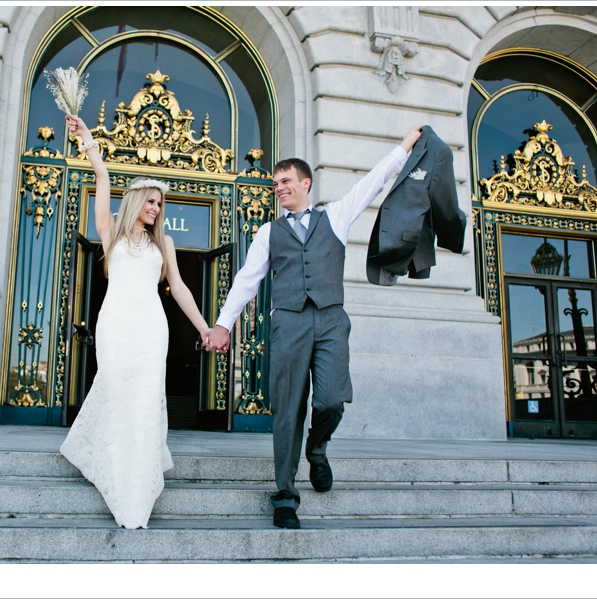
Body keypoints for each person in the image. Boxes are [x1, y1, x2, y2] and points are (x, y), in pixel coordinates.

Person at [206, 126, 423, 529]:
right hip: (287, 322)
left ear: (306, 182)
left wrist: (404, 148)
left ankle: (317, 449)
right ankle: (286, 495)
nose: (279, 188)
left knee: (331, 400)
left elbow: (374, 183)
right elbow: (247, 280)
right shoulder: (269, 231)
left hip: (330, 320)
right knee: (287, 411)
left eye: (286, 181)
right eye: (275, 183)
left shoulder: (336, 216)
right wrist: (223, 324)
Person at [60, 114, 212, 529]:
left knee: (144, 403)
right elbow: (104, 179)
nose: (156, 208)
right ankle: (112, 469)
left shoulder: (165, 242)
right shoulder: (111, 233)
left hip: (150, 329)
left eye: (159, 203)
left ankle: (136, 491)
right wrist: (90, 142)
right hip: (115, 324)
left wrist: (203, 326)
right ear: (136, 200)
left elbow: (179, 288)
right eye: (150, 200)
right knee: (114, 390)